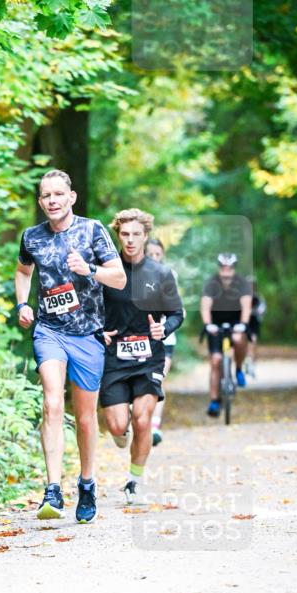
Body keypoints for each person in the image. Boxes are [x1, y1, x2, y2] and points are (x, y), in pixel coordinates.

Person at [15, 169, 126, 523]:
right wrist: (23, 303)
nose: (53, 200)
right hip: (49, 331)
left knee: (84, 418)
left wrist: (89, 269)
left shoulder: (93, 230)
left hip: (87, 334)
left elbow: (119, 278)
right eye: (46, 195)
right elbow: (23, 271)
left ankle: (87, 483)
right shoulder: (32, 237)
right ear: (40, 201)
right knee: (51, 402)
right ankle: (52, 489)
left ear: (71, 197)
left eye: (59, 194)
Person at [99, 209, 184, 504]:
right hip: (114, 357)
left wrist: (164, 328)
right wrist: (99, 331)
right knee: (117, 426)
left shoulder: (160, 273)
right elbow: (90, 309)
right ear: (118, 236)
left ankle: (134, 482)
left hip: (149, 357)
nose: (130, 240)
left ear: (146, 236)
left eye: (136, 234)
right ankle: (120, 433)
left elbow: (177, 313)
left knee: (143, 419)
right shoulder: (106, 272)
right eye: (125, 234)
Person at [200, 253, 252, 417]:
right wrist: (208, 325)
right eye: (223, 267)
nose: (226, 271)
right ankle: (214, 400)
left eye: (229, 268)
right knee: (216, 360)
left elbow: (246, 307)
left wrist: (243, 324)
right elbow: (205, 307)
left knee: (238, 338)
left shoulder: (242, 283)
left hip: (236, 322)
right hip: (216, 324)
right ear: (219, 268)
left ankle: (238, 369)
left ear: (234, 268)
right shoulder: (211, 283)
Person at [145, 237, 178, 446]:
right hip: (139, 338)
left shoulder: (169, 275)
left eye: (158, 254)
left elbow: (175, 308)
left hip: (165, 338)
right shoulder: (131, 275)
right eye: (150, 254)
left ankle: (154, 426)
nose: (155, 258)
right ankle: (137, 421)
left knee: (158, 381)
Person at [246, 277, 266, 378]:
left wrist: (253, 312)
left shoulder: (258, 298)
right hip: (244, 324)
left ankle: (252, 365)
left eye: (252, 285)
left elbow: (262, 309)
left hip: (254, 324)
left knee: (253, 342)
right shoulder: (242, 298)